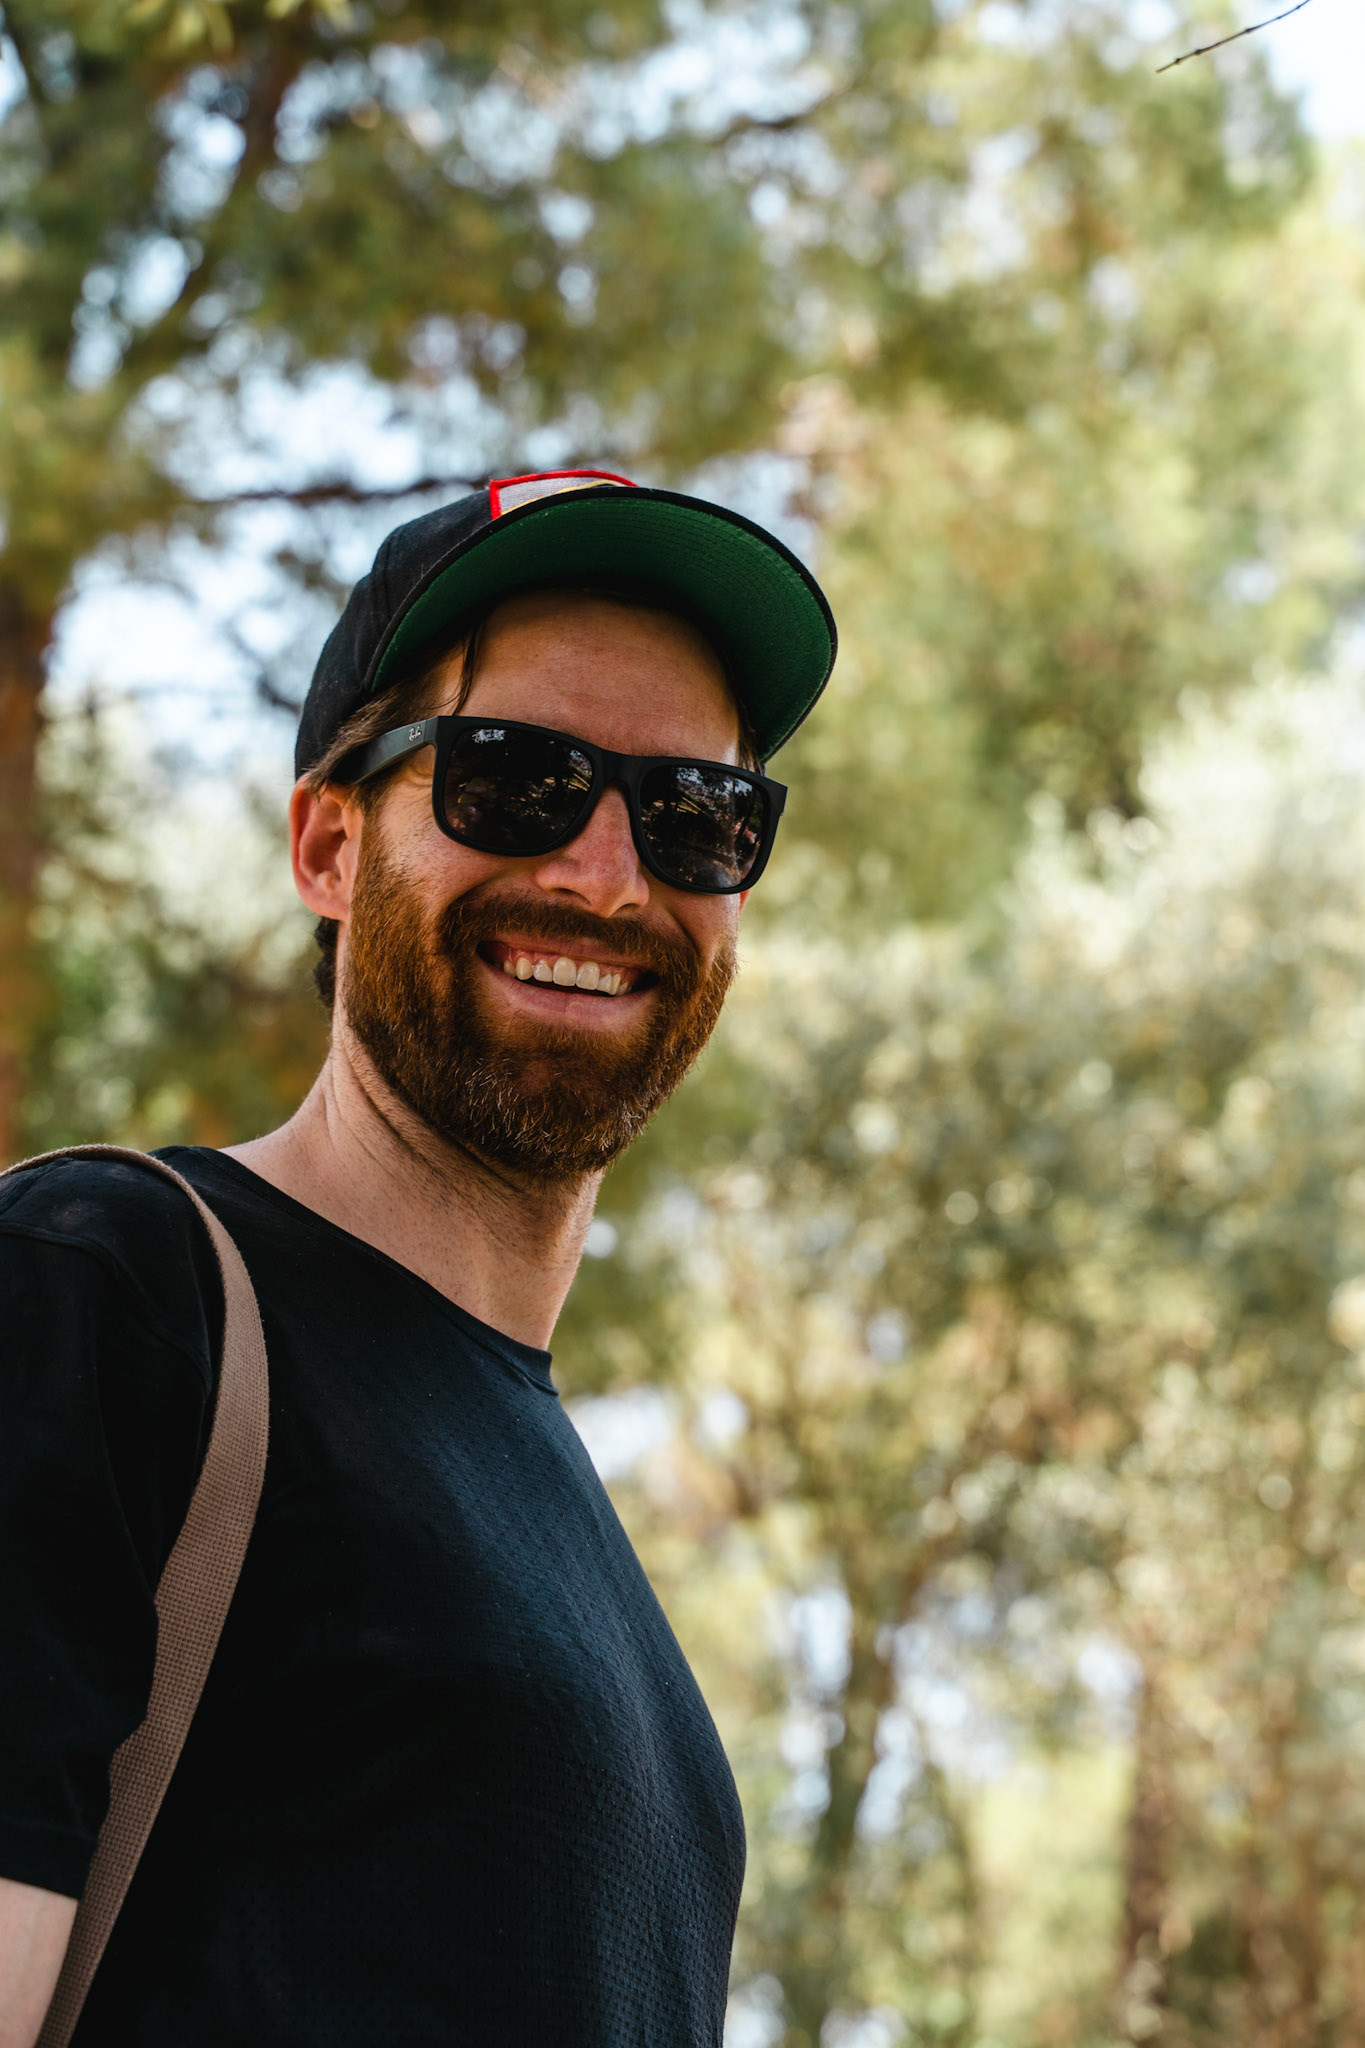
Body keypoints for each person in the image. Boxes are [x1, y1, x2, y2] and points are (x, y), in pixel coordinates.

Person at [0, 469, 836, 2047]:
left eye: (695, 817)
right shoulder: (102, 1295)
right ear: (327, 844)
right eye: (512, 781)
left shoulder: (609, 1600)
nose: (605, 875)